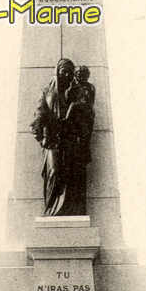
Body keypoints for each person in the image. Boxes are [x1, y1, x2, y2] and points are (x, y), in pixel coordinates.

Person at [30, 59, 95, 216]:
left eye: (69, 72)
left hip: (71, 140)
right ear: (57, 71)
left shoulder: (77, 92)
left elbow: (86, 114)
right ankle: (52, 210)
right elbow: (39, 114)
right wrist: (40, 135)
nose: (66, 74)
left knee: (71, 174)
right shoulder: (47, 92)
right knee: (54, 172)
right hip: (53, 140)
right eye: (63, 70)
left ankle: (70, 211)